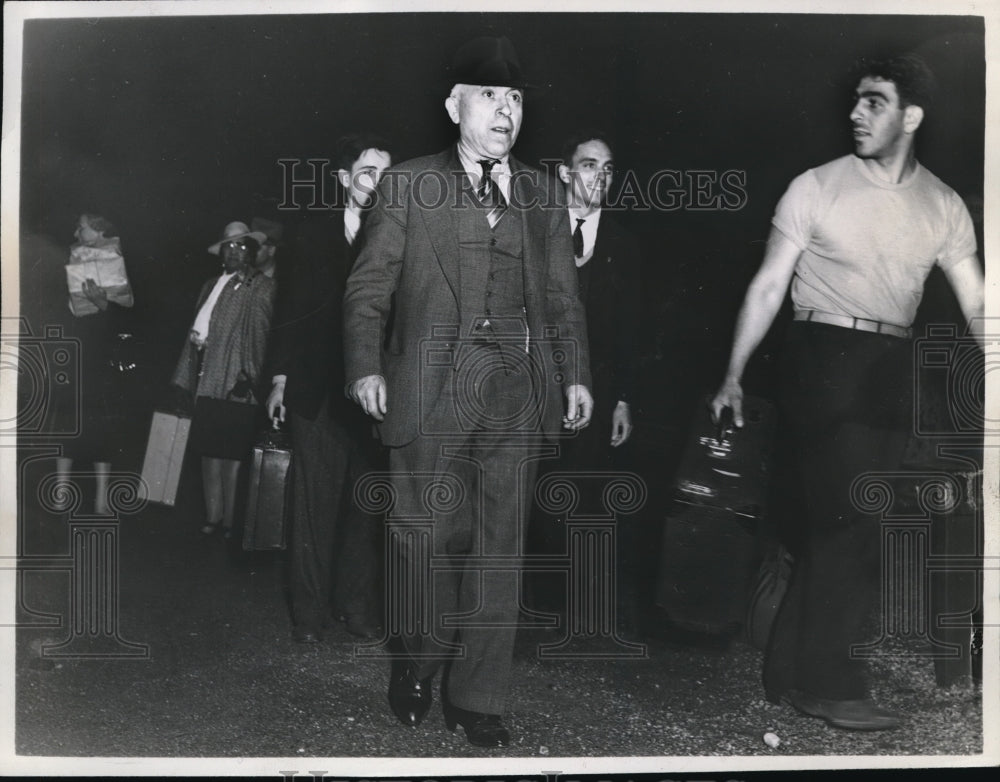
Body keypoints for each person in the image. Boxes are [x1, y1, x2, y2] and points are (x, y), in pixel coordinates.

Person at [710, 54, 984, 731]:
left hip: (891, 363)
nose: (856, 113)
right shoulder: (816, 187)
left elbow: (979, 303)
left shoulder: (944, 205)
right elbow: (768, 286)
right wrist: (733, 374)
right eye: (856, 100)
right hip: (821, 356)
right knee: (854, 518)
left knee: (850, 519)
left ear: (911, 117)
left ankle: (787, 670)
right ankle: (830, 684)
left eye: (875, 101)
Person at [343, 36, 592, 747]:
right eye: (488, 95)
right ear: (454, 106)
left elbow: (562, 296)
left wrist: (575, 373)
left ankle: (478, 697)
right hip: (430, 381)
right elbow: (369, 286)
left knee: (499, 545)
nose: (505, 109)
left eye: (514, 97)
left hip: (516, 386)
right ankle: (418, 660)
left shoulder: (544, 195)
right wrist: (364, 366)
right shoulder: (408, 185)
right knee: (422, 534)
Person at [265, 133, 392, 643]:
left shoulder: (400, 235)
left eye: (386, 175)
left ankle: (356, 607)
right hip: (317, 389)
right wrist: (279, 380)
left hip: (375, 393)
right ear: (344, 178)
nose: (377, 184)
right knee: (313, 507)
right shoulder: (312, 235)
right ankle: (309, 614)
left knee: (367, 505)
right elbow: (288, 310)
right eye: (367, 172)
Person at [171, 221, 276, 539]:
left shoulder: (260, 286)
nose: (234, 252)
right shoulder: (210, 285)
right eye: (229, 246)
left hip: (236, 381)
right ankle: (213, 516)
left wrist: (251, 376)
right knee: (208, 451)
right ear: (221, 252)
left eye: (241, 246)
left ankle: (231, 521)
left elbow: (261, 335)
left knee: (232, 456)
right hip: (206, 377)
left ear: (252, 252)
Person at [56, 213, 138, 515]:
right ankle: (61, 492)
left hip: (104, 358)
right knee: (69, 422)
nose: (76, 232)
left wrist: (101, 302)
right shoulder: (74, 256)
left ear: (99, 229)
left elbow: (131, 316)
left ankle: (101, 499)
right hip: (78, 351)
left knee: (103, 427)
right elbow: (62, 305)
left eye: (82, 227)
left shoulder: (121, 261)